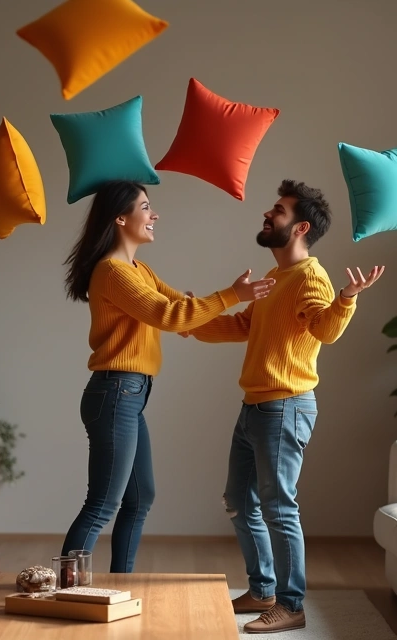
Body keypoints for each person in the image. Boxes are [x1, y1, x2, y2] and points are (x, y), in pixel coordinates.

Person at [181, 179, 384, 634]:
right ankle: (263, 591)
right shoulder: (276, 280)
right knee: (239, 501)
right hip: (256, 406)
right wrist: (191, 322)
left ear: (300, 227)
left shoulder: (310, 278)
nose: (267, 214)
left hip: (285, 407)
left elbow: (324, 330)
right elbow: (243, 326)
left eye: (278, 210)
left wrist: (346, 299)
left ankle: (291, 605)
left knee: (278, 507)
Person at [60, 179, 276, 573]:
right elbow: (169, 316)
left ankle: (121, 583)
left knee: (140, 498)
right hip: (116, 392)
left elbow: (184, 311)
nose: (154, 214)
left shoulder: (139, 270)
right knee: (103, 503)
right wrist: (230, 296)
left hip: (129, 395)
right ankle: (66, 588)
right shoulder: (112, 272)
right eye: (145, 207)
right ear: (120, 218)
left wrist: (244, 322)